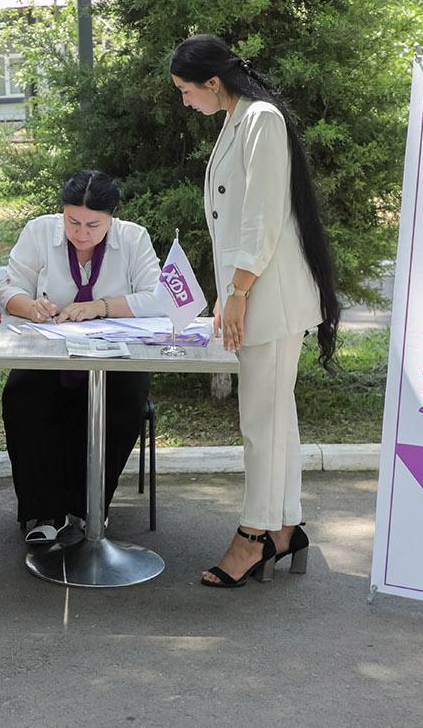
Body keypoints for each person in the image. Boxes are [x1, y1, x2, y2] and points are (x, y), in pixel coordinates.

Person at [170, 34, 341, 588]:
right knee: (276, 417)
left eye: (184, 90)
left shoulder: (261, 119)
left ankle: (254, 536)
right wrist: (229, 290)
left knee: (261, 422)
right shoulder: (237, 119)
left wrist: (239, 290)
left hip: (269, 295)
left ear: (212, 83)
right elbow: (236, 219)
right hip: (251, 289)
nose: (184, 101)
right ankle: (286, 525)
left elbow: (263, 216)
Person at [0, 170, 166, 546]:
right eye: (73, 221)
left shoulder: (133, 238)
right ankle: (45, 511)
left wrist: (101, 307)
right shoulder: (39, 231)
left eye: (94, 224)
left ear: (111, 217)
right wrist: (31, 307)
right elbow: (10, 288)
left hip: (116, 356)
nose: (82, 232)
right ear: (62, 213)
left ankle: (90, 506)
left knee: (122, 402)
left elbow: (159, 298)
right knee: (22, 397)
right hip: (50, 348)